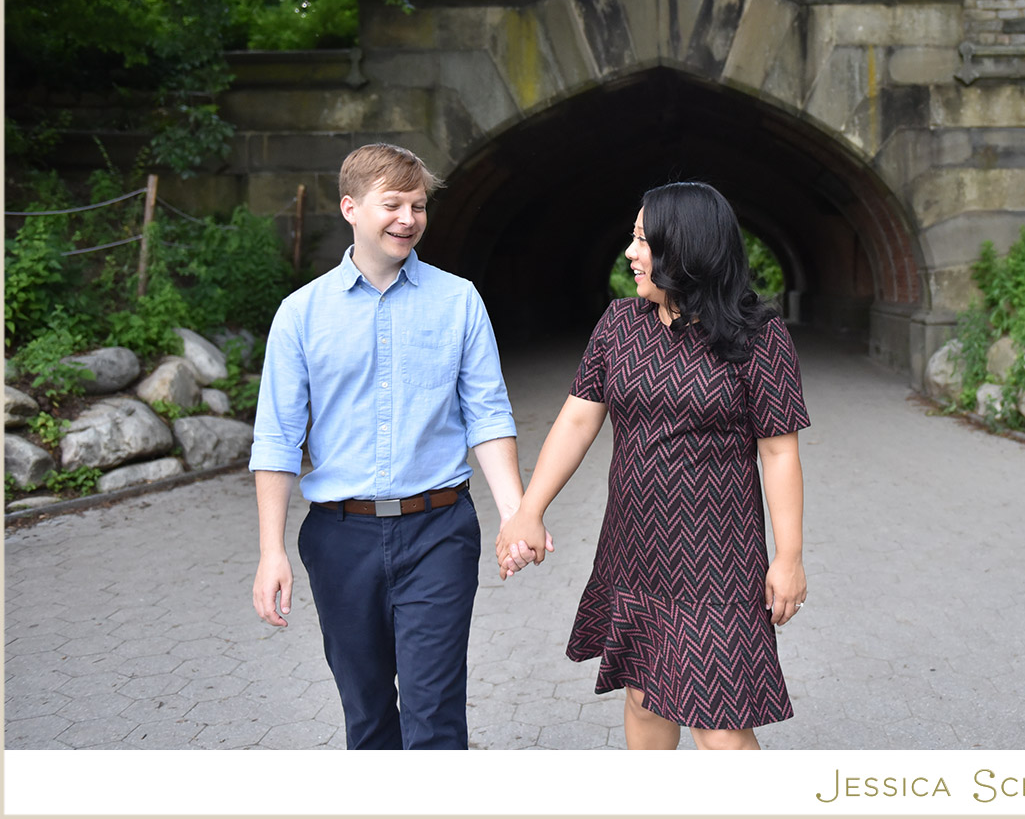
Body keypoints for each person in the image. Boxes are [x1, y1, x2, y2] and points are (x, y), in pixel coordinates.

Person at [249, 142, 547, 750]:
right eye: (392, 205)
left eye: (418, 206)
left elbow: (487, 415)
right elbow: (277, 439)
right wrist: (270, 551)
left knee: (434, 716)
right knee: (368, 719)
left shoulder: (458, 300)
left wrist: (516, 514)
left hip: (438, 529)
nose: (408, 219)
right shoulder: (300, 314)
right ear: (350, 208)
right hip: (339, 538)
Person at [496, 181, 809, 751]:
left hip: (717, 560)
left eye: (643, 240)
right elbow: (577, 420)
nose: (630, 252)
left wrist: (788, 559)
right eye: (632, 237)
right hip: (635, 548)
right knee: (644, 700)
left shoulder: (759, 334)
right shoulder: (620, 323)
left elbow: (779, 452)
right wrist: (528, 510)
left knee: (720, 729)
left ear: (684, 249)